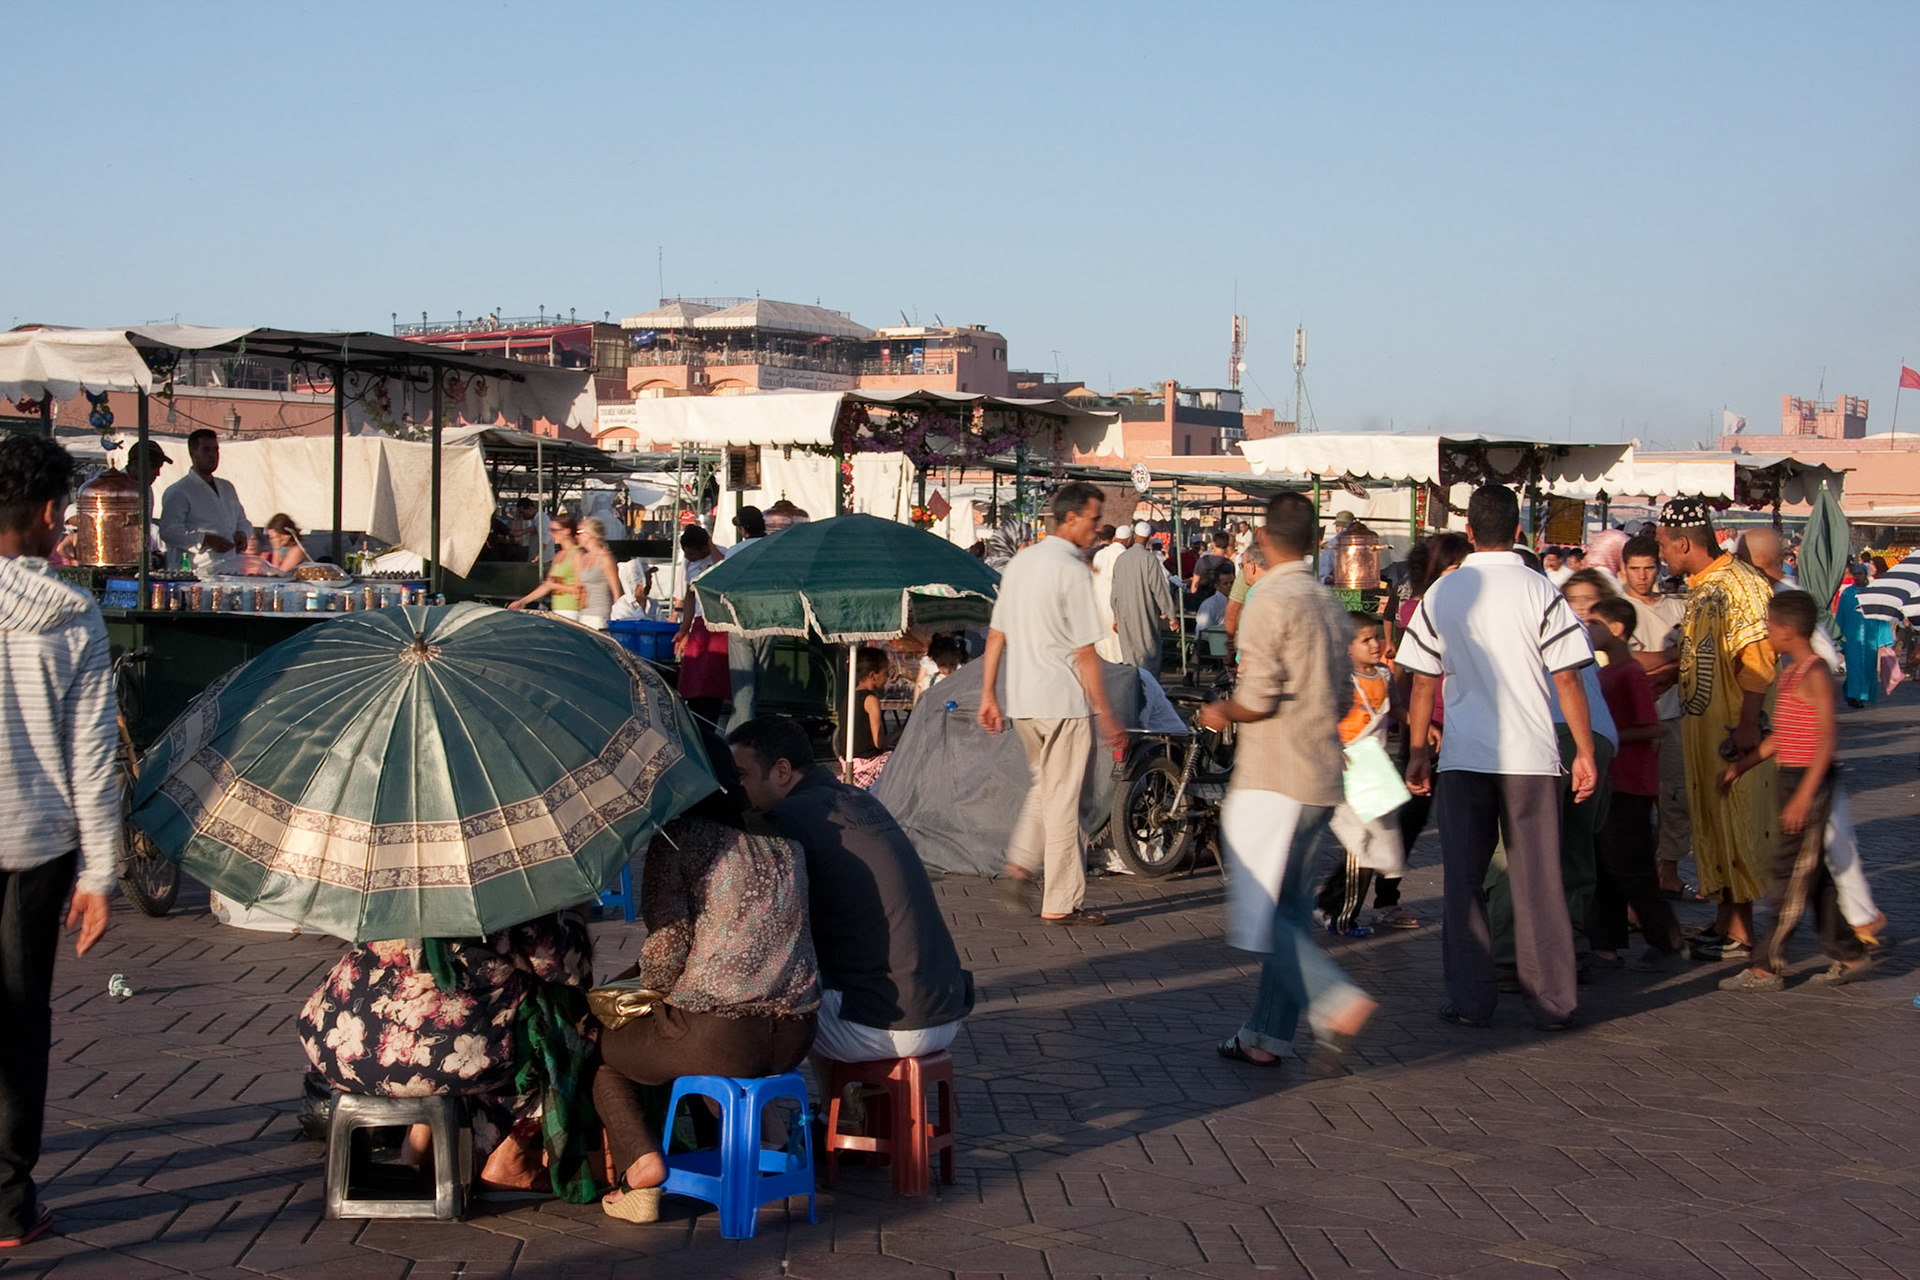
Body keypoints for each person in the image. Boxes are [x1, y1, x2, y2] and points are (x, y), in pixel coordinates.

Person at [1398, 484, 1596, 1032]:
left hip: (1464, 754)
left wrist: (1417, 751)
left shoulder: (1442, 594)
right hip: (1531, 755)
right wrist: (1583, 750)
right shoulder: (1541, 589)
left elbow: (1420, 682)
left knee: (1463, 881)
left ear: (1469, 532)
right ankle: (1553, 1001)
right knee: (1538, 882)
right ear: (1518, 531)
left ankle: (1470, 1001)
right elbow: (1568, 677)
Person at [591, 762, 819, 1224]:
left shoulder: (678, 840)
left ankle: (641, 1166)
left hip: (719, 1036)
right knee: (678, 1040)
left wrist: (629, 989)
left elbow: (666, 952)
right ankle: (727, 1149)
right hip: (797, 1033)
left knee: (607, 1056)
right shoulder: (786, 844)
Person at [1198, 492, 1375, 1069]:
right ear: (1313, 540)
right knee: (1290, 912)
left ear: (1265, 540)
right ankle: (1265, 1036)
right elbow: (1346, 693)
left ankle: (1332, 998)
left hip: (1275, 777)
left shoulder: (1270, 598)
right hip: (1322, 772)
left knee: (1267, 911)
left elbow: (1258, 694)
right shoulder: (1327, 601)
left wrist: (1222, 711)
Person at [0, 436, 117, 1249]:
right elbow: (94, 754)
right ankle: (7, 1201)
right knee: (18, 1019)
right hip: (34, 850)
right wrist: (103, 871)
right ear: (49, 515)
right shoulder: (71, 614)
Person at [728, 716, 974, 1067]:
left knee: (755, 1022)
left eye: (742, 776)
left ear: (781, 771)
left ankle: (819, 1117)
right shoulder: (859, 799)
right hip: (945, 1009)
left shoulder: (783, 818)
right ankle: (845, 1113)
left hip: (882, 1023)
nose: (738, 789)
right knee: (821, 984)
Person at [299, 914, 596, 1199]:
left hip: (342, 1048)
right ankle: (510, 1156)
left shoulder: (385, 885)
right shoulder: (498, 891)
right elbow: (566, 969)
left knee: (478, 1016)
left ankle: (420, 1141)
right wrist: (575, 919)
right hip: (431, 1055)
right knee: (555, 1020)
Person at [977, 481, 1126, 926]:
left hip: (1023, 700)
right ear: (1071, 518)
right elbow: (1085, 653)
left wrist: (988, 693)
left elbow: (996, 632)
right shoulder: (1072, 570)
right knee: (1063, 804)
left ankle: (1020, 863)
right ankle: (1062, 901)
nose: (1098, 528)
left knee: (1047, 787)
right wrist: (1107, 713)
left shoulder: (1022, 562)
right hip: (1062, 702)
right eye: (1094, 519)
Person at [1715, 591, 1871, 992]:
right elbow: (1783, 736)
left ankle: (1767, 965)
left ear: (1786, 630)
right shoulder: (1790, 673)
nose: (1766, 632)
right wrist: (1741, 767)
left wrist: (1805, 795)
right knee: (1812, 873)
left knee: (1789, 872)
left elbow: (1826, 740)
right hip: (1791, 776)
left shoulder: (1815, 674)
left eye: (1769, 626)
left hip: (1808, 780)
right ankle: (1849, 952)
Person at [1657, 497, 1777, 962]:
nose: (1662, 554)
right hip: (1703, 727)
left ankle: (1742, 930)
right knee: (1712, 820)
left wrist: (1748, 723)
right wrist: (1672, 674)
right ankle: (1726, 918)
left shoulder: (1740, 584)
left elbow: (1758, 658)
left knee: (1735, 819)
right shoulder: (1704, 586)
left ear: (1685, 543)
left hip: (1731, 728)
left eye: (1665, 545)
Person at [1584, 596, 1686, 972]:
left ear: (1616, 629)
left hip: (1632, 784)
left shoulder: (1628, 674)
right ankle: (1605, 944)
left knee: (1631, 866)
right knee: (1607, 862)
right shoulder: (1607, 673)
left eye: (1594, 623)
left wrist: (1609, 736)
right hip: (1614, 781)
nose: (1589, 629)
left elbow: (1651, 725)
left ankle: (1667, 939)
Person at [1314, 611, 1406, 940]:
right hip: (1350, 769)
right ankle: (1341, 916)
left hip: (1374, 769)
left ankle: (1328, 902)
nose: (1374, 644)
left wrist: (1421, 727)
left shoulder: (1384, 675)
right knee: (1361, 846)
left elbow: (1395, 708)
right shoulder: (1342, 680)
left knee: (1370, 843)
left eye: (1376, 637)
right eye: (1365, 639)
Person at [1619, 535, 1691, 898]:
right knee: (1632, 804)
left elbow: (1691, 659)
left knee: (1674, 797)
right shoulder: (1616, 609)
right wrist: (1670, 659)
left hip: (1672, 715)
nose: (1643, 576)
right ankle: (1638, 875)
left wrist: (1665, 664)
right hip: (1630, 721)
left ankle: (1670, 872)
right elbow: (1628, 660)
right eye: (1636, 569)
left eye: (1649, 568)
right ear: (1623, 569)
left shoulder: (1677, 609)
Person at [158, 428, 252, 572]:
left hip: (231, 568)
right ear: (192, 453)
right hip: (198, 571)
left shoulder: (227, 487)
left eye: (216, 450)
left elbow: (242, 521)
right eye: (206, 450)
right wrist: (205, 540)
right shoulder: (179, 491)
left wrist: (242, 534)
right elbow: (169, 531)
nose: (212, 455)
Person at [672, 526, 730, 725]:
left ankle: (709, 719)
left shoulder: (721, 555)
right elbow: (689, 596)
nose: (689, 557)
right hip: (698, 622)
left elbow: (723, 566)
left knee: (711, 679)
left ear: (704, 547)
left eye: (692, 552)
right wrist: (684, 629)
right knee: (693, 678)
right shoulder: (689, 565)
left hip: (718, 622)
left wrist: (710, 544)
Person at [1110, 517, 1178, 677]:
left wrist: (1116, 615)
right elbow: (1159, 589)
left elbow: (1114, 593)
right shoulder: (1149, 559)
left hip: (1124, 615)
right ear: (1148, 538)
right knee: (1148, 655)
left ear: (1134, 536)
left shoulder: (1121, 559)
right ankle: (1149, 693)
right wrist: (1171, 615)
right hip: (1144, 615)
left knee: (1130, 657)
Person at [724, 506, 771, 730]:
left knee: (743, 688)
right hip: (769, 619)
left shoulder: (735, 552)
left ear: (743, 529)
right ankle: (740, 736)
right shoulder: (774, 548)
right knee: (757, 685)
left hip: (740, 619)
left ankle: (740, 740)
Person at [508, 510, 583, 619]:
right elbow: (547, 585)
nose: (550, 533)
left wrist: (555, 586)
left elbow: (579, 588)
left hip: (572, 610)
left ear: (566, 531)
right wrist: (523, 601)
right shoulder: (559, 555)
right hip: (558, 609)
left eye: (554, 530)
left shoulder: (577, 555)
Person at [1835, 566, 1892, 708]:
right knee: (1854, 667)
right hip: (1851, 637)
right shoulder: (1847, 594)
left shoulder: (1873, 593)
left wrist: (1885, 637)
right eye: (1854, 573)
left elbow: (1880, 615)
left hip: (1870, 638)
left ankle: (1858, 694)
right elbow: (1841, 616)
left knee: (1867, 667)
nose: (1856, 576)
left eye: (1859, 573)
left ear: (1865, 575)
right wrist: (1837, 636)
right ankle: (1855, 696)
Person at [844, 646, 896, 789]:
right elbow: (879, 742)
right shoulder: (871, 700)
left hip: (850, 762)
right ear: (873, 675)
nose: (887, 679)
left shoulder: (849, 698)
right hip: (868, 764)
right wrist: (898, 732)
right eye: (885, 674)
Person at [573, 517, 622, 630]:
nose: (576, 536)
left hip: (600, 613)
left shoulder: (605, 558)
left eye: (579, 532)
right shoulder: (584, 557)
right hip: (584, 612)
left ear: (590, 534)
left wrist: (616, 617)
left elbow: (616, 591)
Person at [1091, 523, 1131, 663]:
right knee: (1119, 651)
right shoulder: (1126, 556)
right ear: (1129, 539)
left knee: (1103, 648)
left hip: (1098, 609)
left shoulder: (1098, 555)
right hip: (1116, 609)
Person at [1222, 540, 1267, 656]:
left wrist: (1235, 653)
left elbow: (1233, 609)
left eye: (1242, 566)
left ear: (1252, 566)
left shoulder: (1255, 592)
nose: (1242, 570)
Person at [1189, 530, 1234, 603]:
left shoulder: (1202, 561)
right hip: (1222, 602)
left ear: (1213, 544)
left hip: (1203, 600)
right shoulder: (1229, 564)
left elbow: (1194, 586)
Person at [1195, 565, 1235, 631]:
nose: (1229, 586)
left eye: (1231, 582)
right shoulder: (1209, 605)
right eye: (1225, 583)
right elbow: (1202, 630)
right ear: (1217, 586)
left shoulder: (1236, 602)